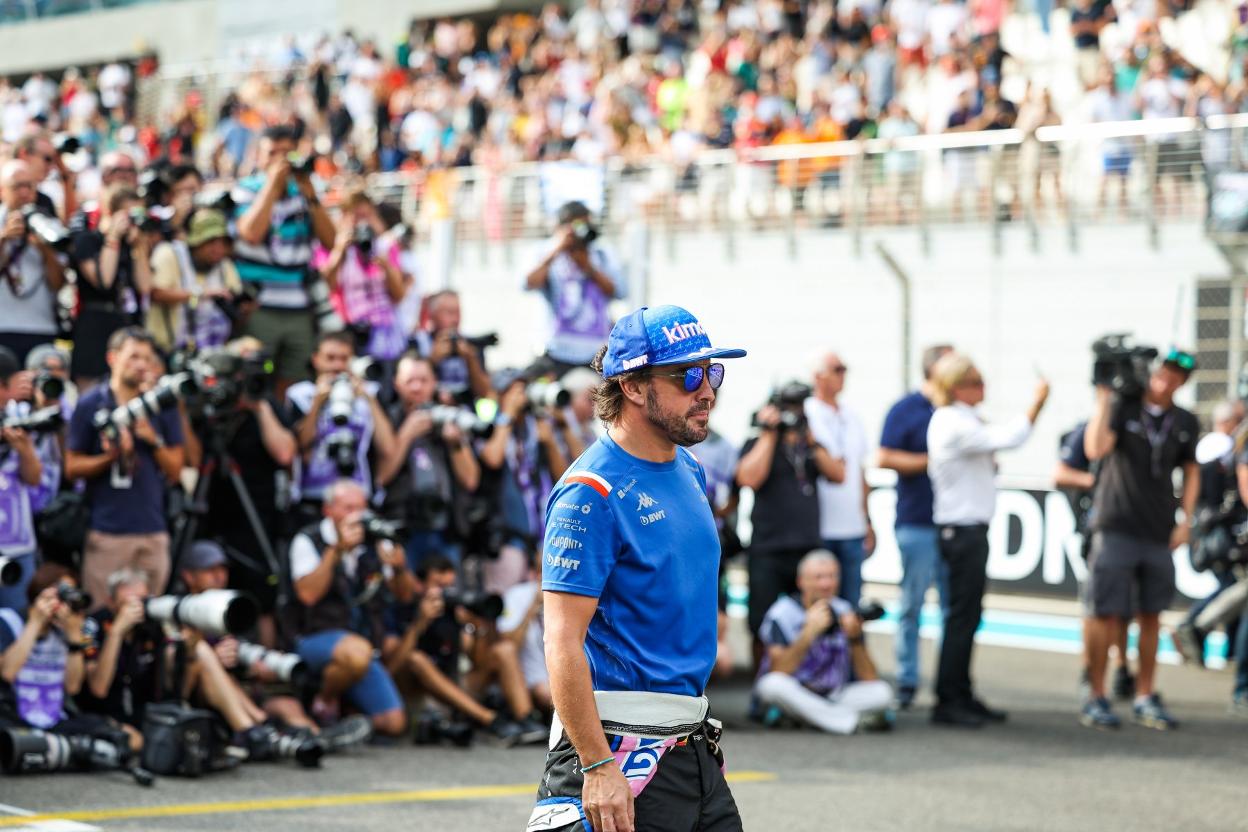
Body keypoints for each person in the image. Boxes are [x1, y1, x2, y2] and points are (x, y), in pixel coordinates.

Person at [532, 304, 745, 832]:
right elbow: (561, 643)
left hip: (689, 747)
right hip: (619, 755)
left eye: (712, 371)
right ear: (631, 386)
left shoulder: (689, 467)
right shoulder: (590, 493)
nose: (707, 390)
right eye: (687, 375)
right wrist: (598, 766)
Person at [927, 352, 1049, 728]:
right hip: (961, 530)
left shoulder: (961, 419)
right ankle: (949, 698)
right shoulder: (952, 422)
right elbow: (1011, 437)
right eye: (976, 381)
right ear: (956, 387)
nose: (984, 387)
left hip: (967, 529)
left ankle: (959, 691)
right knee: (961, 618)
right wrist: (1038, 402)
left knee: (967, 616)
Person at [1082, 349, 1199, 730]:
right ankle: (1096, 695)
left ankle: (1146, 694)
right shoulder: (1123, 406)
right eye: (1163, 372)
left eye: (1176, 377)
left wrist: (1187, 520)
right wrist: (1103, 400)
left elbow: (1191, 469)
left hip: (1158, 529)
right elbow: (1095, 448)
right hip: (1115, 524)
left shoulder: (1185, 421)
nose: (1167, 381)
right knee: (1104, 612)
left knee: (1152, 614)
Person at [65, 327, 184, 607]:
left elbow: (177, 469)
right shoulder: (91, 403)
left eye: (146, 358)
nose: (141, 365)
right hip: (108, 531)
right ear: (112, 358)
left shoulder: (161, 403)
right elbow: (71, 467)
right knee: (100, 613)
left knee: (150, 617)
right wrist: (110, 457)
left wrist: (152, 440)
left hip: (153, 529)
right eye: (133, 357)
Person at [287, 479, 416, 738]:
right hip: (315, 636)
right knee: (357, 652)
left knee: (393, 723)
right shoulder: (309, 539)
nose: (357, 515)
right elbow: (308, 595)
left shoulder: (376, 539)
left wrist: (400, 568)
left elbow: (404, 595)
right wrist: (337, 551)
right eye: (348, 508)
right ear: (328, 510)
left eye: (361, 507)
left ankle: (346, 723)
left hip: (364, 642)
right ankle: (324, 703)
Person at [231, 124, 335, 398]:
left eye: (287, 153)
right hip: (260, 306)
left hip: (299, 307)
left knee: (293, 382)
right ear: (258, 155)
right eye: (272, 153)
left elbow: (331, 241)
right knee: (255, 378)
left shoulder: (304, 191)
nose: (280, 160)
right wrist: (272, 187)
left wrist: (310, 193)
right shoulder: (245, 190)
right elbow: (251, 233)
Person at [877, 344, 952, 710]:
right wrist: (933, 461)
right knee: (913, 604)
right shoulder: (905, 409)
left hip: (955, 523)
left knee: (955, 609)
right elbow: (885, 455)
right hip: (917, 522)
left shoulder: (959, 410)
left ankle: (950, 686)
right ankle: (907, 679)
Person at [736, 387, 843, 643]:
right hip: (769, 547)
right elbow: (748, 478)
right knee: (761, 621)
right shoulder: (758, 442)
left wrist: (811, 439)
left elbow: (838, 474)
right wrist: (769, 433)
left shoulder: (810, 446)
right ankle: (762, 676)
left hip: (807, 548)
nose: (794, 414)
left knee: (813, 614)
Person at [754, 550, 893, 734]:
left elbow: (869, 677)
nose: (826, 584)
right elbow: (778, 670)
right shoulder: (782, 614)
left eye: (832, 576)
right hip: (797, 693)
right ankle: (849, 723)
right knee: (770, 685)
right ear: (801, 581)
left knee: (883, 692)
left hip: (833, 695)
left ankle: (809, 718)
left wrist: (855, 639)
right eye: (818, 577)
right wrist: (808, 633)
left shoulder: (844, 609)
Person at [376, 353, 480, 571]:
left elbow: (471, 480)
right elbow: (380, 477)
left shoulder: (446, 417)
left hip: (446, 528)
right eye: (409, 381)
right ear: (396, 384)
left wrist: (455, 444)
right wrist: (406, 435)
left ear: (434, 382)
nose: (417, 388)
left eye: (423, 380)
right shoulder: (387, 420)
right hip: (404, 527)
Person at [286, 331, 396, 518]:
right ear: (315, 359)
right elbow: (300, 446)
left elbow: (388, 448)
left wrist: (368, 400)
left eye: (344, 358)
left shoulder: (369, 394)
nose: (337, 365)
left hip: (359, 496)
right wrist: (317, 403)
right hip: (314, 497)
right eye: (330, 358)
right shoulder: (301, 394)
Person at [523, 201, 626, 379]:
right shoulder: (544, 250)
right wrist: (557, 250)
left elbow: (620, 291)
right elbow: (528, 283)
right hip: (556, 348)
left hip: (596, 351)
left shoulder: (601, 253)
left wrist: (588, 267)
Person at [804, 353, 874, 606]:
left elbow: (860, 473)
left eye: (844, 369)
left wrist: (866, 519)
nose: (843, 375)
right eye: (837, 369)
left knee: (851, 605)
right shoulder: (806, 413)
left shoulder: (852, 416)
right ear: (817, 376)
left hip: (851, 528)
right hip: (819, 528)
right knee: (819, 605)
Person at [69, 187, 153, 388]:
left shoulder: (131, 245)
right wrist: (113, 238)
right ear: (110, 213)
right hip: (94, 325)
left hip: (124, 322)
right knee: (90, 390)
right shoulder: (88, 240)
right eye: (129, 215)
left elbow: (145, 287)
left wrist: (139, 248)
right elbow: (103, 280)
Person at [313, 189, 407, 361]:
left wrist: (384, 262)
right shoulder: (331, 244)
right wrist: (339, 251)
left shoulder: (385, 246)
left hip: (383, 332)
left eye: (367, 215)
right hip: (347, 333)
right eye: (357, 216)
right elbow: (326, 287)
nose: (362, 223)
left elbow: (399, 295)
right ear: (344, 216)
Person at [147, 208, 248, 354]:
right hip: (169, 351)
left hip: (212, 351)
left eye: (223, 242)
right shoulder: (170, 253)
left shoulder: (224, 265)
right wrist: (200, 294)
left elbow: (235, 302)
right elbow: (155, 294)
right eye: (211, 241)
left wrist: (243, 308)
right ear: (196, 242)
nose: (218, 249)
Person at [0, 160, 67, 365]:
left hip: (40, 328)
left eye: (29, 186)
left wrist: (45, 249)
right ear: (2, 191)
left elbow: (58, 283)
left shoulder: (50, 226)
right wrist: (3, 239)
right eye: (17, 186)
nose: (24, 193)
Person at [0, 345, 44, 610]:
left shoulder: (20, 416)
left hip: (17, 544)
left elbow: (34, 478)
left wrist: (26, 451)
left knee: (17, 625)